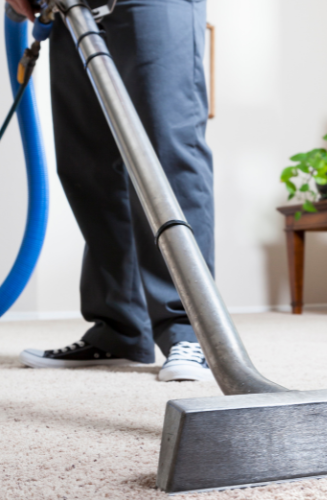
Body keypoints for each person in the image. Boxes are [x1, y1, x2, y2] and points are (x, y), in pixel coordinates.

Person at [9, 0, 215, 382]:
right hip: (66, 5)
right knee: (86, 163)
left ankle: (193, 331)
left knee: (165, 147)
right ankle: (118, 329)